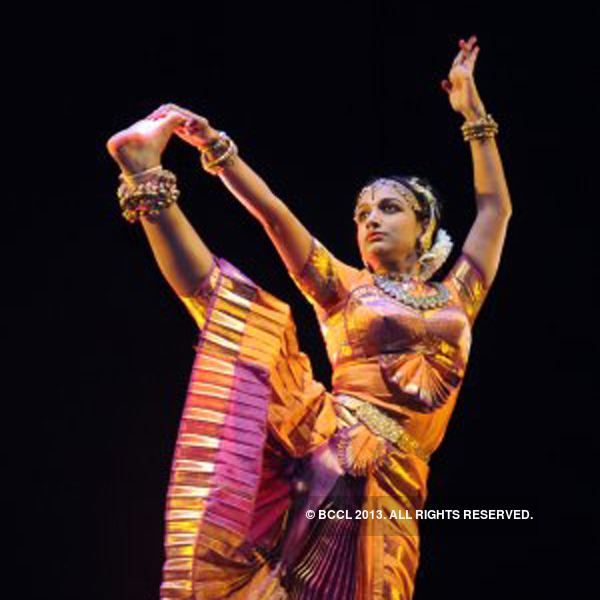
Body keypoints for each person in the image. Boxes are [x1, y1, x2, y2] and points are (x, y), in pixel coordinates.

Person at [107, 35, 512, 599]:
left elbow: (495, 208)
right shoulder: (344, 287)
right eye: (362, 213)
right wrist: (219, 149)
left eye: (389, 208)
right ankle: (144, 176)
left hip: (399, 486)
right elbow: (274, 215)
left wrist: (474, 115)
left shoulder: (457, 296)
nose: (370, 219)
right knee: (239, 312)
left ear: (426, 229)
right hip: (333, 450)